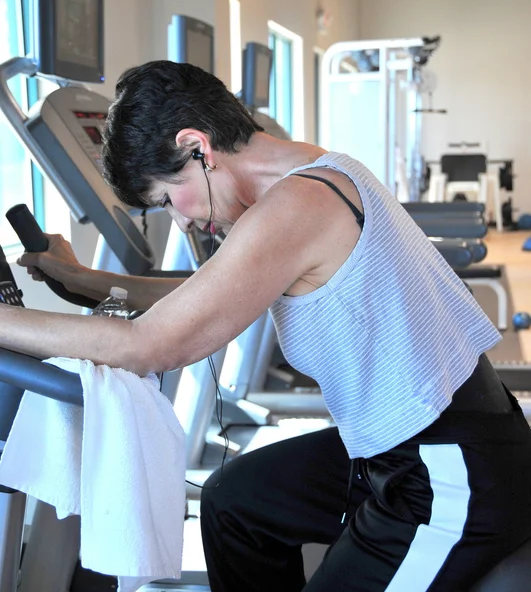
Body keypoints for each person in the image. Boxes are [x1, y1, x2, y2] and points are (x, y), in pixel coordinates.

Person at [3, 60, 531, 591]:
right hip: (409, 449)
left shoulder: (295, 206)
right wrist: (85, 279)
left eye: (169, 198)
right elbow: (209, 295)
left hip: (453, 474)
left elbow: (150, 344)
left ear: (196, 146)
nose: (182, 220)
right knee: (236, 500)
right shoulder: (316, 171)